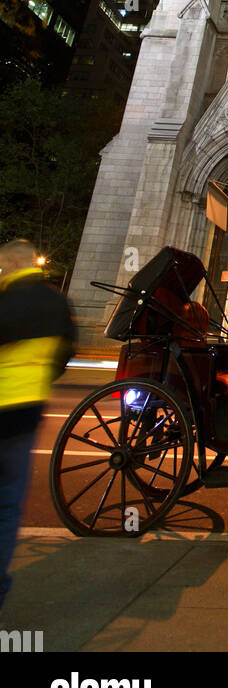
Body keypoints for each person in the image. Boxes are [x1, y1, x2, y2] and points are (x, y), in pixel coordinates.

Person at [0, 239, 76, 611]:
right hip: (24, 415)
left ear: (11, 265)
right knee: (7, 506)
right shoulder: (55, 301)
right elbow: (65, 353)